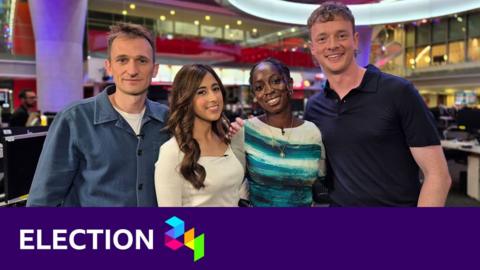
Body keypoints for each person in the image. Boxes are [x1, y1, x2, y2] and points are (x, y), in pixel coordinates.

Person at [303, 2, 451, 206]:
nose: (332, 45)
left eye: (341, 35)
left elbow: (438, 176)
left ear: (355, 41)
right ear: (313, 48)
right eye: (322, 38)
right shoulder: (314, 107)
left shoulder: (399, 92)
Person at [27, 22, 170, 206]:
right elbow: (42, 201)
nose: (132, 70)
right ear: (109, 67)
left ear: (154, 69)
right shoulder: (75, 119)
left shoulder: (169, 120)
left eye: (142, 60)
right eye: (122, 60)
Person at [234, 58, 326, 207]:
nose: (269, 90)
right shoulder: (245, 131)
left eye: (276, 81)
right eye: (259, 87)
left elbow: (321, 182)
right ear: (255, 95)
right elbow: (232, 185)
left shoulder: (312, 132)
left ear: (289, 84)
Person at [154, 64, 247, 207]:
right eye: (202, 92)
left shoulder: (229, 140)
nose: (214, 98)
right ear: (186, 99)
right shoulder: (172, 151)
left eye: (215, 89)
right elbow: (170, 223)